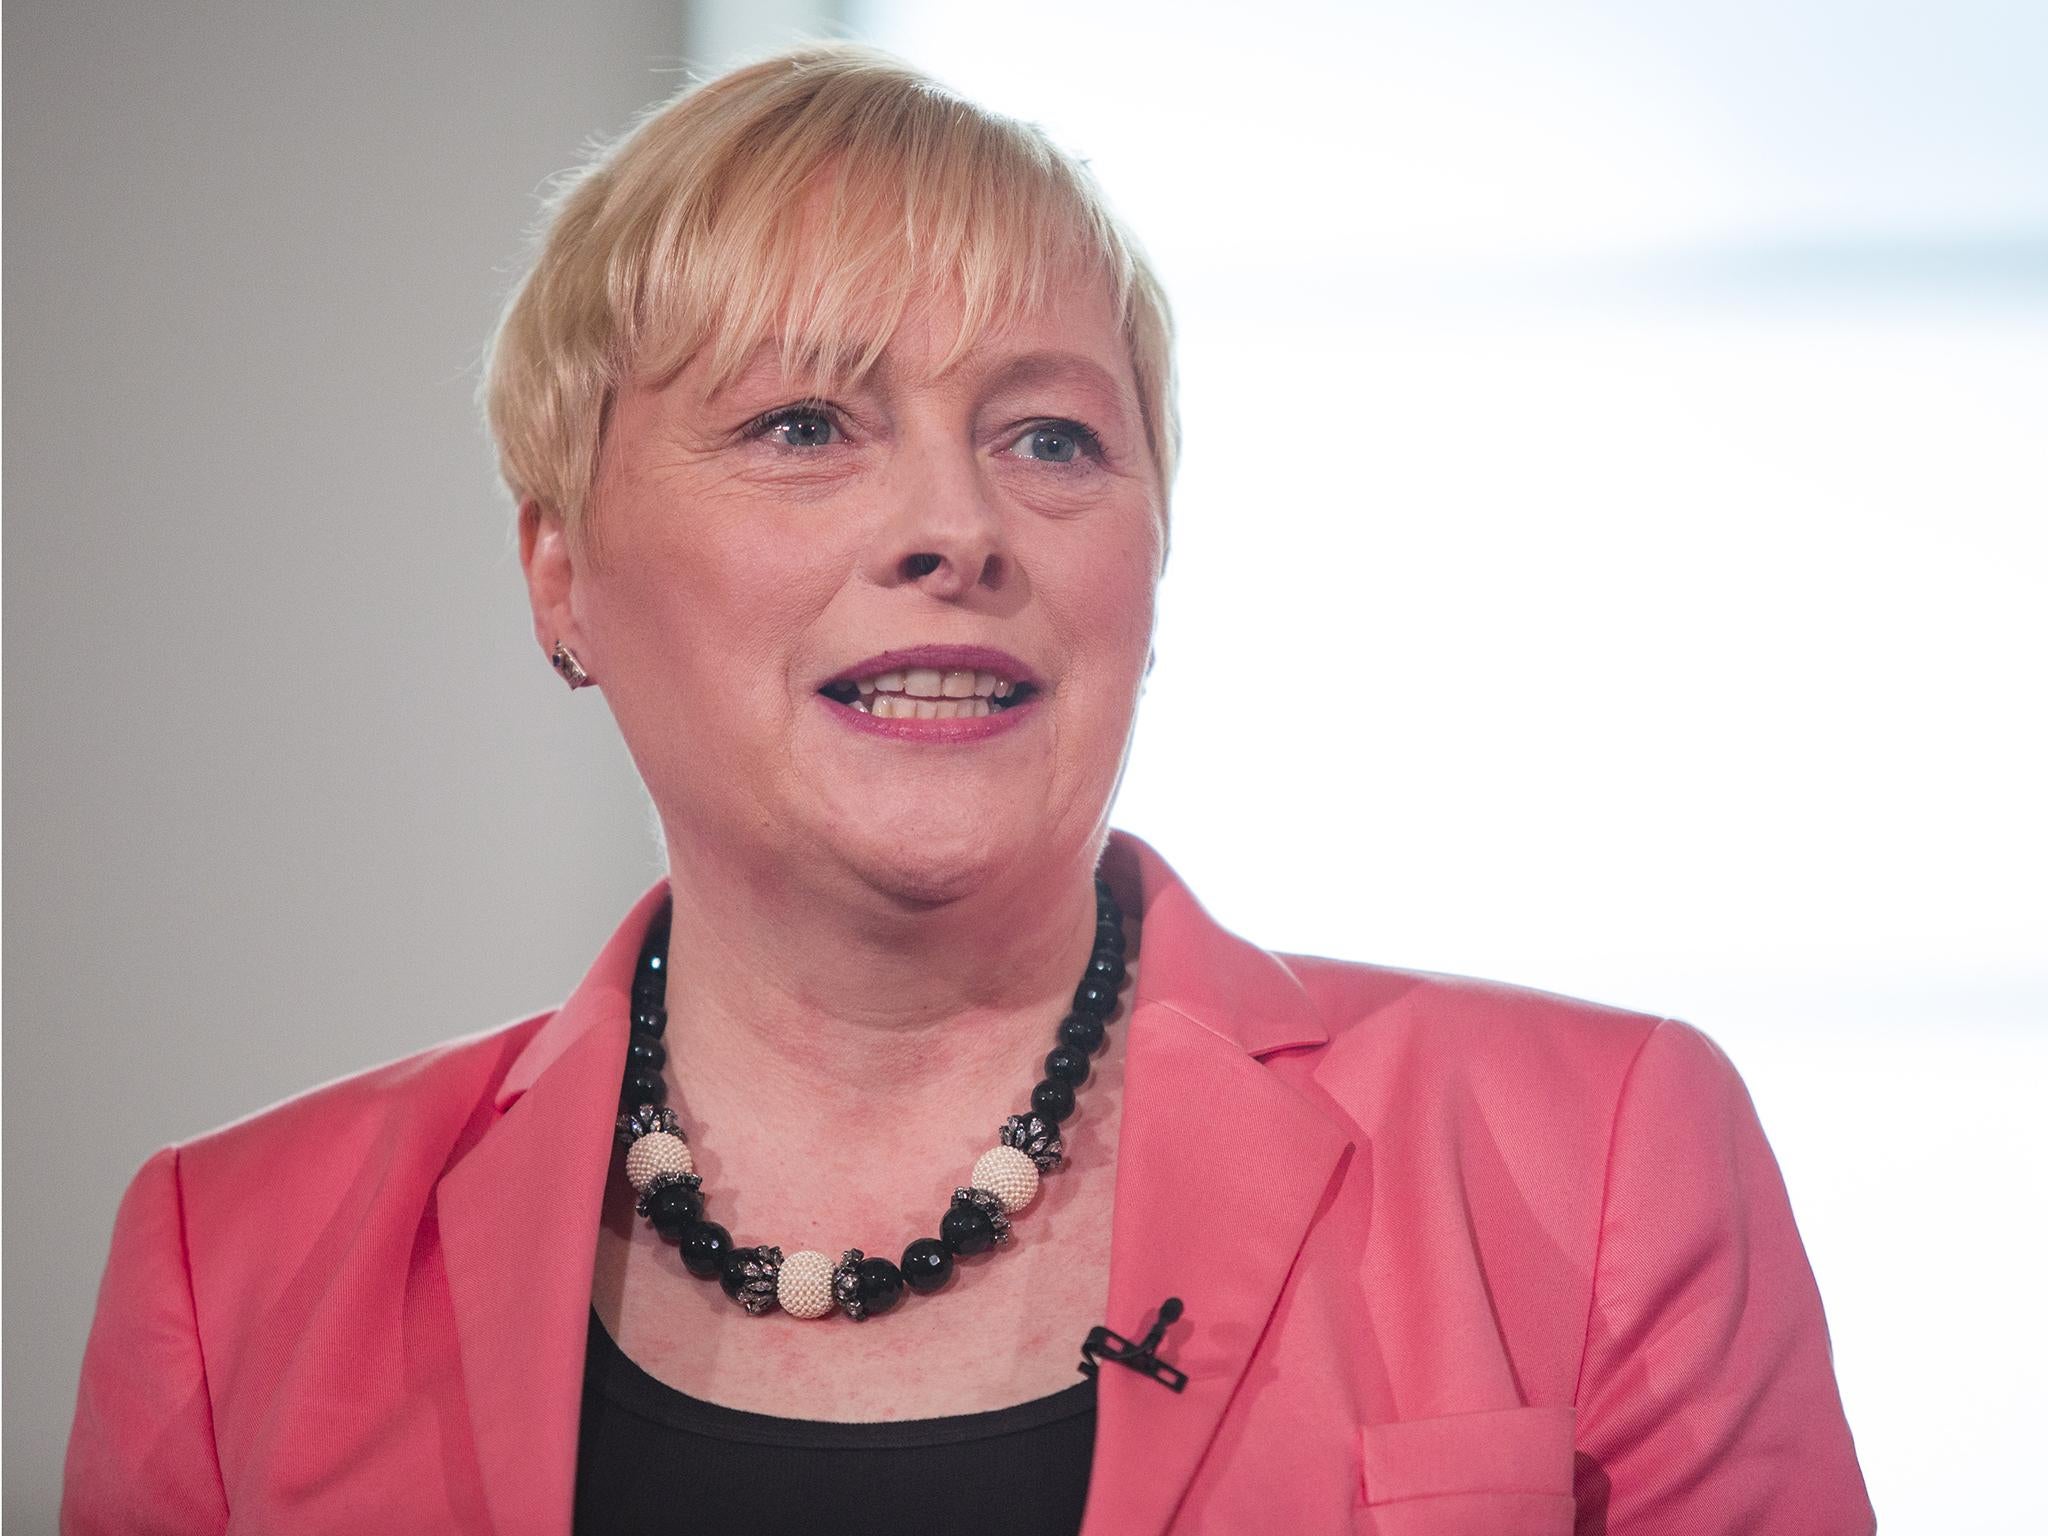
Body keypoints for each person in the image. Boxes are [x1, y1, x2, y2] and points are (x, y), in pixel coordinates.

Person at [61, 41, 1874, 1536]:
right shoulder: (234, 1273)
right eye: (804, 426)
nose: (957, 527)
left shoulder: (1601, 1156)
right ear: (560, 571)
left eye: (1051, 438)